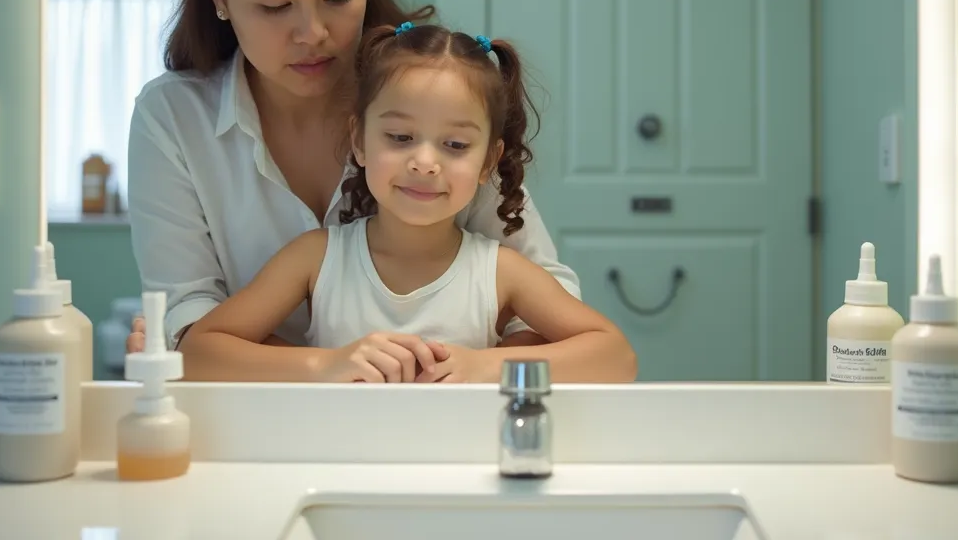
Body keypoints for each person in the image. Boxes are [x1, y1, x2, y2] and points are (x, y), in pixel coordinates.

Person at [125, 0, 582, 372]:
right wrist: (331, 368)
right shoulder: (172, 117)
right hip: (249, 409)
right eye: (275, 5)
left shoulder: (432, 96)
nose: (312, 32)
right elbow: (190, 327)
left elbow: (554, 309)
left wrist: (459, 370)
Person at [181, 22, 638, 383]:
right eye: (400, 137)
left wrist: (485, 367)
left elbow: (616, 357)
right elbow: (197, 352)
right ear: (360, 140)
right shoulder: (315, 257)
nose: (424, 162)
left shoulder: (502, 272)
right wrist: (324, 365)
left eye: (455, 145)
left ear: (488, 162)